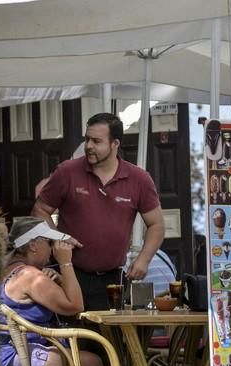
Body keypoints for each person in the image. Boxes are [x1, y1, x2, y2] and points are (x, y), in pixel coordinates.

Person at [32, 112, 165, 310]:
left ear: (115, 144)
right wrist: (58, 237)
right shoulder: (67, 171)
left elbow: (157, 225)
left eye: (96, 141)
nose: (88, 146)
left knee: (112, 340)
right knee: (75, 338)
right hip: (69, 274)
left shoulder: (139, 179)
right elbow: (39, 210)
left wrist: (144, 259)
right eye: (87, 139)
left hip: (114, 279)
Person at [0, 216, 108, 366]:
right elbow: (75, 306)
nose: (51, 250)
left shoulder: (12, 270)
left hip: (2, 353)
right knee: (92, 362)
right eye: (48, 243)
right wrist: (66, 263)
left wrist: (56, 280)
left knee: (82, 358)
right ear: (32, 245)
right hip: (16, 357)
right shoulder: (30, 276)